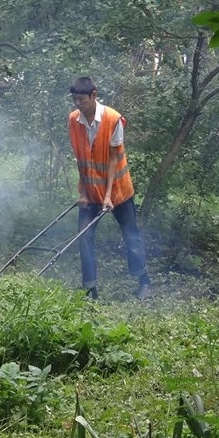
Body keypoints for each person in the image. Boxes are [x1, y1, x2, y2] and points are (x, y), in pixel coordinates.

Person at [68, 77, 151, 300]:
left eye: (82, 99)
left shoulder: (113, 119)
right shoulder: (74, 120)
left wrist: (107, 197)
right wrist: (83, 192)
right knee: (84, 235)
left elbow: (114, 159)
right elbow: (80, 157)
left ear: (94, 95)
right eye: (75, 99)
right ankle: (90, 288)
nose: (78, 104)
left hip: (117, 191)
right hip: (90, 190)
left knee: (131, 235)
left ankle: (144, 281)